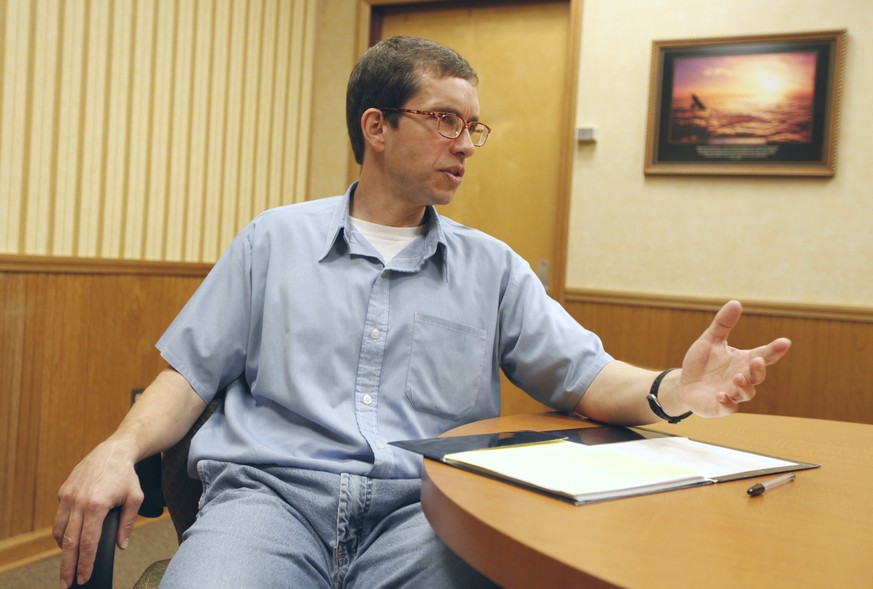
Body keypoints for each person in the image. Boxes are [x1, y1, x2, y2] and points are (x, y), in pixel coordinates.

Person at [53, 36, 791, 589]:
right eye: (445, 120)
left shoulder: (491, 266)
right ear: (376, 128)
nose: (465, 145)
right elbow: (188, 375)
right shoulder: (273, 239)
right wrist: (118, 447)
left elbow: (586, 377)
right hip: (271, 504)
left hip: (425, 514)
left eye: (473, 126)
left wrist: (672, 389)